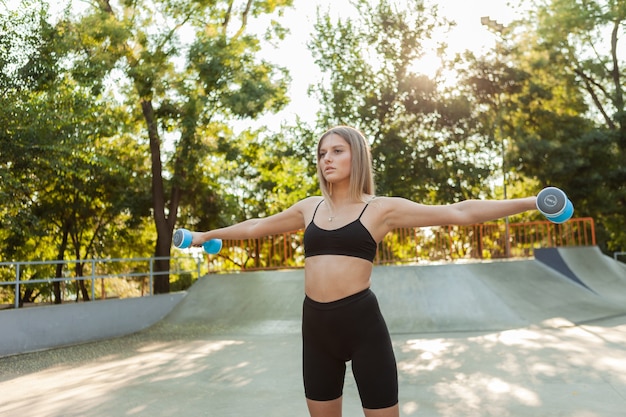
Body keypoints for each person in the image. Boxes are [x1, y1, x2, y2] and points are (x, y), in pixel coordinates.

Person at [188, 126, 538, 417]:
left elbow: (460, 212)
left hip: (361, 325)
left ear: (357, 156)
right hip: (316, 328)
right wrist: (206, 236)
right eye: (323, 153)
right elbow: (255, 227)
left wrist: (533, 202)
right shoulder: (308, 208)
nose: (327, 158)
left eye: (337, 151)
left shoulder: (380, 210)